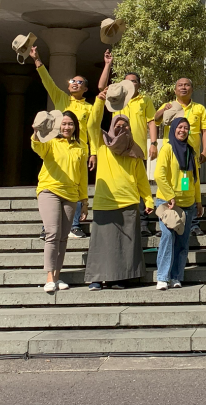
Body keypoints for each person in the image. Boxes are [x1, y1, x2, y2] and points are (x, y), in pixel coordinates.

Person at [84, 105, 155, 290]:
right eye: (118, 125)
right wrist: (100, 101)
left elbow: (141, 180)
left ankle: (119, 278)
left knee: (124, 246)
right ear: (111, 127)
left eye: (125, 126)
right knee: (101, 244)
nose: (121, 129)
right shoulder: (101, 144)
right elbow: (92, 124)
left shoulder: (135, 152)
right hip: (104, 202)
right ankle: (97, 279)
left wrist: (148, 200)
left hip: (129, 203)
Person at [30, 45, 94, 239]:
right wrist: (37, 60)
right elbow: (47, 82)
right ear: (68, 86)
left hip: (79, 150)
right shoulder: (61, 99)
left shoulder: (90, 108)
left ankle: (74, 225)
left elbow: (92, 132)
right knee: (53, 185)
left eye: (79, 82)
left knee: (75, 185)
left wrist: (93, 153)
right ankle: (47, 227)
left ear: (85, 88)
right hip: (57, 148)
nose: (75, 83)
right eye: (72, 81)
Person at [98, 52, 158, 235]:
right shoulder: (117, 96)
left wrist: (153, 143)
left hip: (136, 148)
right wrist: (108, 64)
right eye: (127, 81)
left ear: (139, 85)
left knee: (140, 183)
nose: (130, 84)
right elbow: (101, 87)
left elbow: (151, 121)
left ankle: (143, 223)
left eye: (133, 81)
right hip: (117, 147)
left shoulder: (145, 100)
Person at [31, 110, 88, 293]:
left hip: (71, 195)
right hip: (50, 190)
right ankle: (49, 277)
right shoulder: (51, 142)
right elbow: (37, 146)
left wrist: (84, 200)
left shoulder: (81, 147)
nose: (67, 127)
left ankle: (56, 276)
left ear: (75, 127)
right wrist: (36, 132)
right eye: (63, 124)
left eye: (70, 124)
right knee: (53, 233)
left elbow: (82, 175)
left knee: (63, 237)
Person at [154, 117, 203, 290]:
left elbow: (195, 179)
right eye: (180, 127)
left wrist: (198, 201)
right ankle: (162, 276)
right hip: (168, 203)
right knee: (167, 237)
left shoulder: (191, 150)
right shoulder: (167, 148)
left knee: (182, 242)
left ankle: (176, 276)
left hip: (188, 203)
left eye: (186, 128)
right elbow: (159, 174)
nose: (182, 130)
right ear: (173, 129)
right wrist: (169, 195)